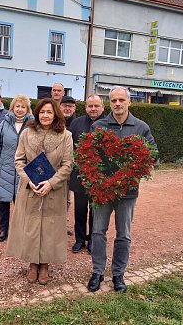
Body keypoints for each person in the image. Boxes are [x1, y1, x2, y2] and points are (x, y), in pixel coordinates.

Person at [87, 86, 157, 293]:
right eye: (114, 100)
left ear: (129, 102)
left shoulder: (141, 127)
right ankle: (97, 272)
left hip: (128, 192)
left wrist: (135, 169)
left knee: (123, 234)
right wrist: (96, 179)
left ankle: (118, 274)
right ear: (109, 103)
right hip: (102, 190)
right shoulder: (98, 125)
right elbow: (88, 154)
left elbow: (153, 154)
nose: (117, 104)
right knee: (98, 232)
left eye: (121, 100)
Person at [6, 98, 73, 285]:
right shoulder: (27, 134)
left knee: (50, 228)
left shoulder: (66, 136)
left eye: (49, 112)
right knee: (31, 226)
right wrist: (29, 181)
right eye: (42, 112)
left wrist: (51, 183)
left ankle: (44, 264)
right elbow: (19, 161)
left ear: (55, 115)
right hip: (30, 189)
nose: (45, 115)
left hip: (54, 190)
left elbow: (68, 164)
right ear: (37, 113)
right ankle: (32, 264)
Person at [0, 95, 33, 242]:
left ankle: (21, 231)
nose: (19, 110)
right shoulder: (4, 123)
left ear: (27, 109)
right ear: (12, 108)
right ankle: (3, 230)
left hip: (24, 170)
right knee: (3, 201)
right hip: (5, 168)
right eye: (17, 106)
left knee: (22, 202)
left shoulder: (33, 125)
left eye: (23, 107)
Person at [69, 95, 105, 254]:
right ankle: (79, 239)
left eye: (96, 106)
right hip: (79, 176)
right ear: (86, 107)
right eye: (90, 106)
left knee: (96, 212)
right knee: (80, 210)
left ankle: (92, 240)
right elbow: (69, 147)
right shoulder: (76, 123)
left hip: (100, 177)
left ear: (103, 107)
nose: (93, 109)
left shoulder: (108, 124)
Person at [60, 95, 77, 235]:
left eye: (70, 106)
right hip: (54, 166)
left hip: (70, 167)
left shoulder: (78, 123)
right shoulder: (53, 120)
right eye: (65, 105)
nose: (67, 108)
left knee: (66, 198)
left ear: (74, 108)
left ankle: (62, 224)